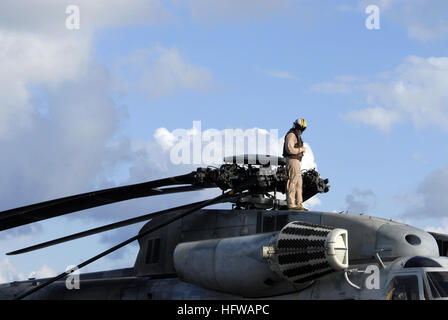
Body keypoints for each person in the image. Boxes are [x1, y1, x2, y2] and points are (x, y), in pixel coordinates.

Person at [282, 118, 308, 211]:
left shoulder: (297, 135)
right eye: (300, 128)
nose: (301, 130)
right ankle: (291, 204)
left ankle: (299, 204)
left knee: (299, 182)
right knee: (292, 180)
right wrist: (301, 150)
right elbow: (289, 149)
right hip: (292, 159)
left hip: (297, 161)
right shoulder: (291, 135)